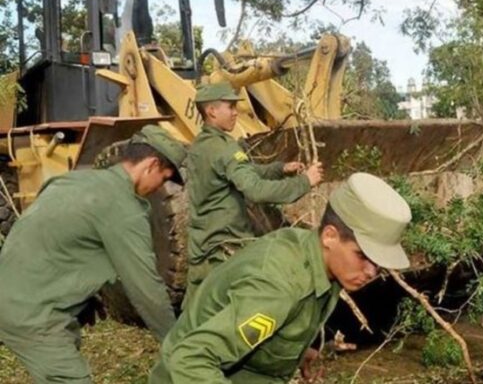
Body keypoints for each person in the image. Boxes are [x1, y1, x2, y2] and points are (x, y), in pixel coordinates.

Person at [149, 172, 411, 383]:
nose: (371, 273)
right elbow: (190, 359)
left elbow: (277, 320)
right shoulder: (278, 285)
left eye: (377, 264)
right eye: (362, 256)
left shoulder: (318, 257)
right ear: (330, 235)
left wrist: (295, 353)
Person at [0, 125, 187, 383]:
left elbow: (57, 237)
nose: (160, 187)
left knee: (66, 345)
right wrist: (179, 346)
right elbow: (147, 290)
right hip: (32, 315)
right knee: (71, 378)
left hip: (12, 293)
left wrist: (85, 292)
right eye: (165, 178)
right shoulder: (124, 209)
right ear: (151, 165)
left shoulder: (74, 179)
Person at [183, 82, 323, 305]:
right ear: (211, 111)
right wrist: (304, 182)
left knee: (196, 311)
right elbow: (255, 190)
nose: (235, 112)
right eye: (229, 107)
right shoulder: (225, 148)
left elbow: (241, 172)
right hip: (225, 247)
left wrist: (279, 169)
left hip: (203, 245)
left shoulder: (200, 145)